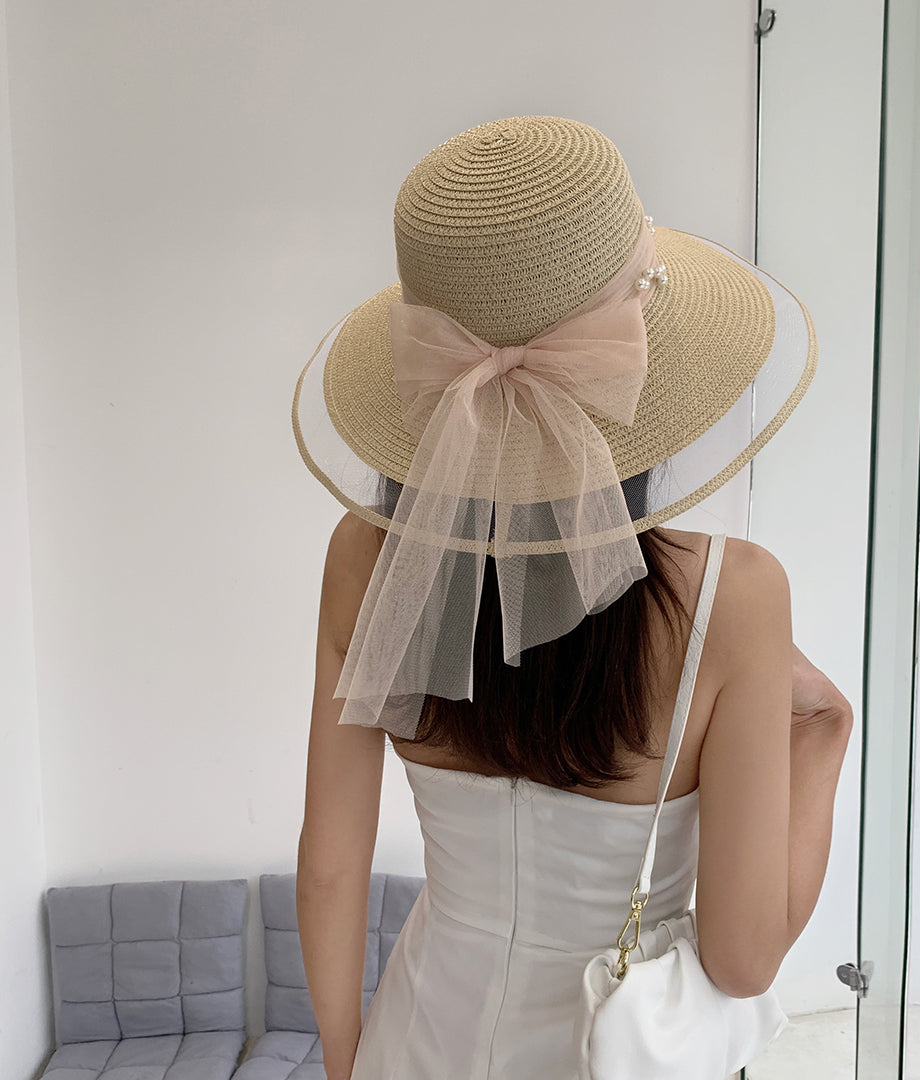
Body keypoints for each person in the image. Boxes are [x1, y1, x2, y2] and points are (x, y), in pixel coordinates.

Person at [291, 115, 853, 1080]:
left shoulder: (363, 559)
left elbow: (332, 865)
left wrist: (348, 1061)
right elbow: (742, 959)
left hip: (418, 1039)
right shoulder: (734, 594)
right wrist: (825, 741)